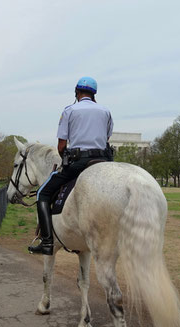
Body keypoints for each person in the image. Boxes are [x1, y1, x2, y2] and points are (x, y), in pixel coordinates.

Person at [28, 76, 114, 255]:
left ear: (77, 92)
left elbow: (61, 146)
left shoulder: (70, 110)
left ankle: (47, 242)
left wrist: (67, 160)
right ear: (94, 94)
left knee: (42, 193)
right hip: (103, 161)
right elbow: (106, 139)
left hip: (79, 162)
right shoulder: (105, 111)